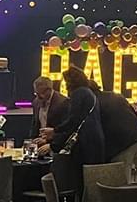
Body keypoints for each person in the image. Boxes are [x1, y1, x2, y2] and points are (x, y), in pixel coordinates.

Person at [42, 66, 105, 194]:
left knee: (80, 181)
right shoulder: (89, 93)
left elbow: (73, 120)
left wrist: (55, 131)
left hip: (84, 144)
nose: (65, 85)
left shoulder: (78, 93)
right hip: (96, 141)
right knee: (92, 180)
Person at [90, 82, 137, 182]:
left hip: (120, 145)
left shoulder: (93, 103)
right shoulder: (115, 96)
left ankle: (129, 198)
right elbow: (133, 113)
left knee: (123, 185)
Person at [30, 76, 70, 142]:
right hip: (39, 142)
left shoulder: (63, 102)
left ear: (49, 90)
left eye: (41, 94)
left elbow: (65, 130)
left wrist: (48, 141)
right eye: (36, 93)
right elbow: (35, 124)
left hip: (55, 144)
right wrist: (32, 140)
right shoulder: (36, 102)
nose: (38, 97)